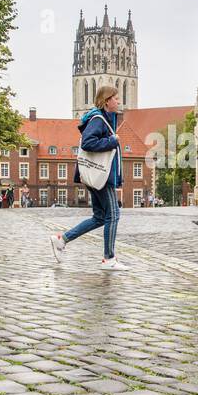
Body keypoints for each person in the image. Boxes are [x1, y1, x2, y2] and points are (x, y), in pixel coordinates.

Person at [52, 85, 127, 271]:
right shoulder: (98, 119)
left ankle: (62, 240)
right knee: (113, 215)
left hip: (97, 175)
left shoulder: (104, 119)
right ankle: (108, 259)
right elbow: (87, 142)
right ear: (107, 100)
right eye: (116, 98)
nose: (119, 101)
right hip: (101, 176)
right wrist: (112, 141)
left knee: (100, 217)